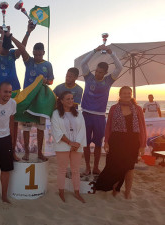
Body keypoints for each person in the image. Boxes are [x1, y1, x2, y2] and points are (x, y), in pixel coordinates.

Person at [95, 86, 147, 199]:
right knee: (115, 165)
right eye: (124, 93)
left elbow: (142, 127)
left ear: (131, 94)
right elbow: (108, 126)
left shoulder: (137, 108)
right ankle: (115, 188)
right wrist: (106, 141)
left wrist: (143, 145)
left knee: (129, 167)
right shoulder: (114, 108)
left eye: (129, 93)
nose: (127, 95)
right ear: (120, 94)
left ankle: (127, 192)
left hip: (132, 141)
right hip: (116, 140)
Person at [81, 45, 123, 175]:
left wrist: (112, 54)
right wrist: (94, 51)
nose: (98, 74)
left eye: (101, 72)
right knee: (86, 144)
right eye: (97, 71)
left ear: (105, 73)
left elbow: (119, 67)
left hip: (99, 117)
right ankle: (88, 166)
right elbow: (83, 63)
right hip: (86, 114)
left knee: (98, 144)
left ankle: (95, 167)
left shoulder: (109, 80)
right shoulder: (88, 77)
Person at [0, 26, 28, 161]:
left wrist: (10, 35)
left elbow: (22, 49)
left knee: (13, 124)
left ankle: (12, 152)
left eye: (8, 47)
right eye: (5, 48)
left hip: (15, 92)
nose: (7, 50)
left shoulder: (12, 54)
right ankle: (1, 152)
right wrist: (2, 35)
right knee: (0, 122)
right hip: (0, 93)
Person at [20, 21, 54, 161]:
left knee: (41, 128)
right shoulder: (29, 61)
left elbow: (51, 80)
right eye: (36, 54)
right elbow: (21, 48)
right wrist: (28, 32)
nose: (38, 56)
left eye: (40, 54)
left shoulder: (48, 64)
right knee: (26, 129)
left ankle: (40, 152)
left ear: (43, 53)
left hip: (41, 101)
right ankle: (27, 153)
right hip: (28, 99)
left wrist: (45, 81)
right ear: (33, 53)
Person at [51, 91, 87, 203]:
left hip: (77, 145)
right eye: (68, 99)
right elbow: (56, 131)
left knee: (76, 170)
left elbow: (82, 129)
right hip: (63, 146)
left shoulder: (78, 113)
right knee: (62, 170)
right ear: (61, 101)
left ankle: (77, 192)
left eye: (72, 98)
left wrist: (76, 143)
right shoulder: (56, 114)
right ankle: (61, 192)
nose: (71, 101)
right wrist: (70, 143)